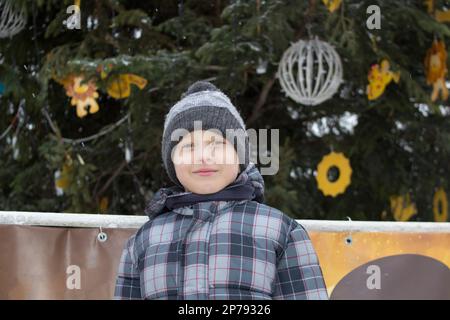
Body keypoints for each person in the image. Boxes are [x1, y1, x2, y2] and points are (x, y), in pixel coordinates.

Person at [114, 81, 328, 300]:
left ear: (239, 156)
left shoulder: (280, 231)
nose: (204, 156)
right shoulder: (144, 240)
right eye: (188, 146)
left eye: (217, 144)